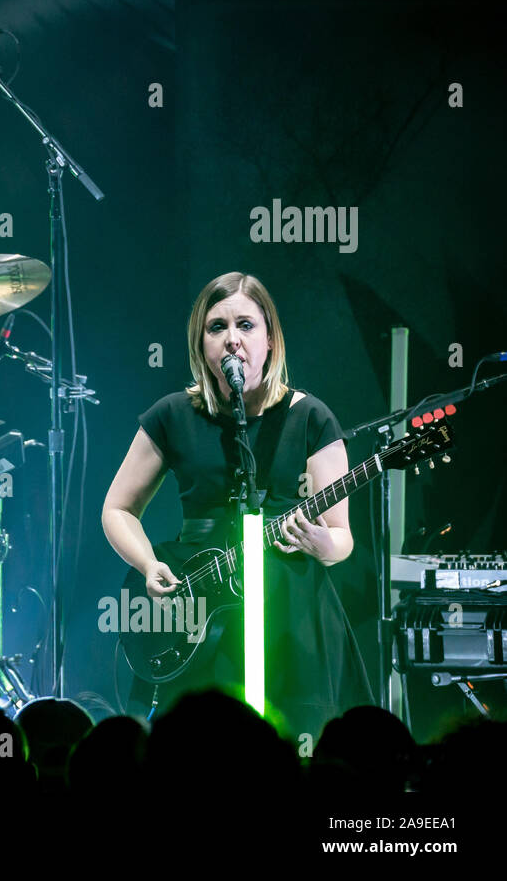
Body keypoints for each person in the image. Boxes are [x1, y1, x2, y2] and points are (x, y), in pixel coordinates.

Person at [101, 271, 372, 739]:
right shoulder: (172, 414)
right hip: (198, 607)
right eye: (217, 328)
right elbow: (117, 509)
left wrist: (322, 542)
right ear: (200, 343)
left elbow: (342, 537)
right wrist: (147, 564)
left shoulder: (310, 416)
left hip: (292, 608)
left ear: (270, 338)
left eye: (246, 325)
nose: (232, 341)